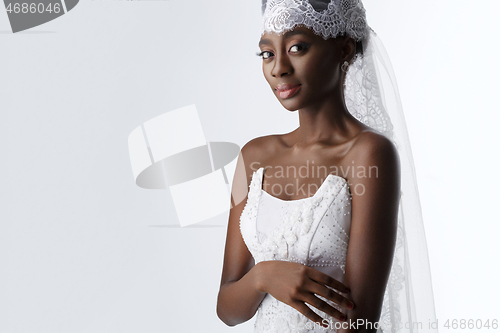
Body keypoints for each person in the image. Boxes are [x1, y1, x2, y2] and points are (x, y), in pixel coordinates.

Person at [217, 1, 437, 332]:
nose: (279, 68)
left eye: (297, 47)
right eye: (267, 53)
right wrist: (263, 276)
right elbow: (227, 309)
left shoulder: (369, 154)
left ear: (344, 49)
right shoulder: (252, 156)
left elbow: (359, 321)